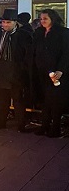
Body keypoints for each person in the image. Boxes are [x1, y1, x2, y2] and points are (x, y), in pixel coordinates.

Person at [0, 9, 32, 132]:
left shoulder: (23, 35)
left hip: (15, 72)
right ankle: (0, 122)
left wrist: (21, 68)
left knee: (18, 99)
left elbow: (28, 55)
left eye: (8, 22)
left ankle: (21, 124)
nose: (5, 25)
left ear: (15, 22)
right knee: (2, 99)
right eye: (4, 22)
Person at [32, 9, 69, 138]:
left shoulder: (63, 32)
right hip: (42, 70)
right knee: (45, 100)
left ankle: (56, 127)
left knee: (56, 100)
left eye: (45, 19)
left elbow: (66, 53)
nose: (42, 21)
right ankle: (44, 125)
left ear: (52, 19)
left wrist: (61, 69)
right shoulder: (39, 32)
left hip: (56, 71)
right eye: (41, 19)